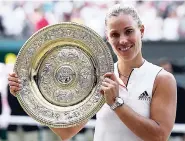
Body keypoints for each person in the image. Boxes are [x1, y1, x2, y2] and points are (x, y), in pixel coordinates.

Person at [8, 4, 177, 141]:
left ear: (141, 31)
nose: (123, 40)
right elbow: (66, 132)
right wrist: (28, 94)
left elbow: (159, 136)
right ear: (108, 38)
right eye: (115, 34)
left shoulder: (161, 79)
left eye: (129, 31)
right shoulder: (98, 77)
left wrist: (116, 104)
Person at [159, 58, 185, 141]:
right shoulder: (152, 90)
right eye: (164, 69)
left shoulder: (181, 91)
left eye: (168, 69)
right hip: (158, 133)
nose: (167, 72)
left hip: (178, 132)